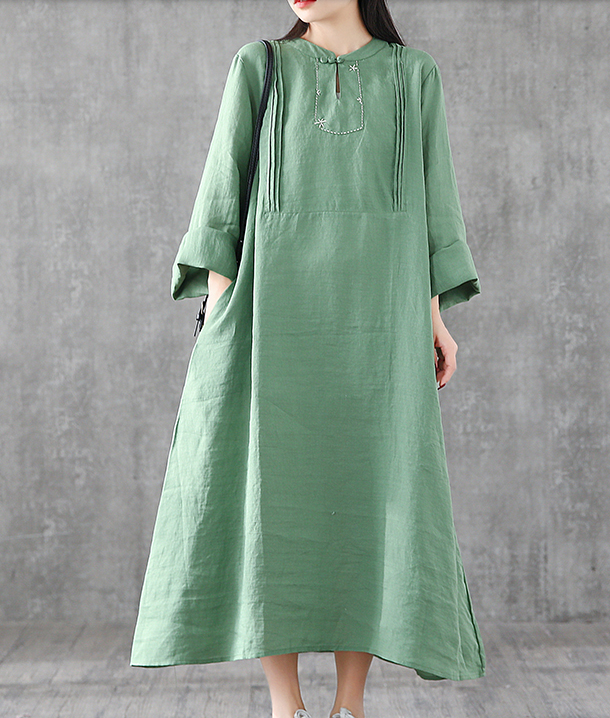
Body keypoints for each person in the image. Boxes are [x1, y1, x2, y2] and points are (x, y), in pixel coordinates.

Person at [130, 1, 486, 717]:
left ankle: (350, 706)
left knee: (374, 491)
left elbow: (432, 203)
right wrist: (223, 314)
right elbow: (222, 193)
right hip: (274, 312)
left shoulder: (414, 75)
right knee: (273, 496)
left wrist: (433, 318)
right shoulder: (260, 66)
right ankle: (284, 706)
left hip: (382, 320)